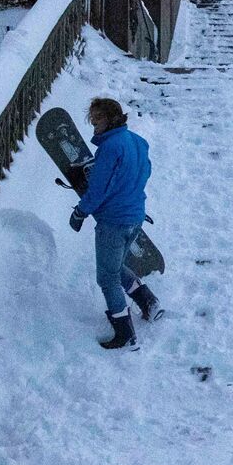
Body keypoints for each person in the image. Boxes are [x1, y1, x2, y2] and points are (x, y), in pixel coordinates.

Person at [68, 97, 162, 351]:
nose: (94, 125)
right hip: (134, 216)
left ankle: (125, 334)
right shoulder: (138, 142)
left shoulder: (110, 148)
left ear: (111, 119)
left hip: (113, 221)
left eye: (97, 119)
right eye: (92, 119)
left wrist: (80, 211)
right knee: (118, 266)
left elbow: (98, 189)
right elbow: (144, 173)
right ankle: (149, 304)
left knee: (107, 277)